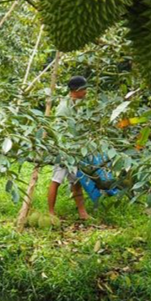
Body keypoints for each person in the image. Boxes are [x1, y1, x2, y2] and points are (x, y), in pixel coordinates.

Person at [48, 76, 92, 221]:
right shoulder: (63, 107)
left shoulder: (78, 105)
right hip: (64, 151)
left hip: (75, 151)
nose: (86, 91)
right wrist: (64, 151)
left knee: (76, 181)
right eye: (84, 89)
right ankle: (51, 213)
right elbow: (59, 130)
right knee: (57, 180)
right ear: (76, 90)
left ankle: (82, 213)